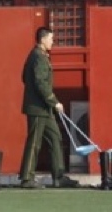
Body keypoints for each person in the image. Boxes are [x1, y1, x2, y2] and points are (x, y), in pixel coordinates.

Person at [18, 27, 79, 189]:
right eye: (51, 38)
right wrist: (53, 101)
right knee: (34, 143)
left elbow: (25, 77)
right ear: (43, 39)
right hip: (38, 108)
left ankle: (58, 176)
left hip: (45, 109)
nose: (53, 41)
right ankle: (27, 178)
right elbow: (40, 82)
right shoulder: (38, 56)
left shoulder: (37, 56)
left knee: (55, 138)